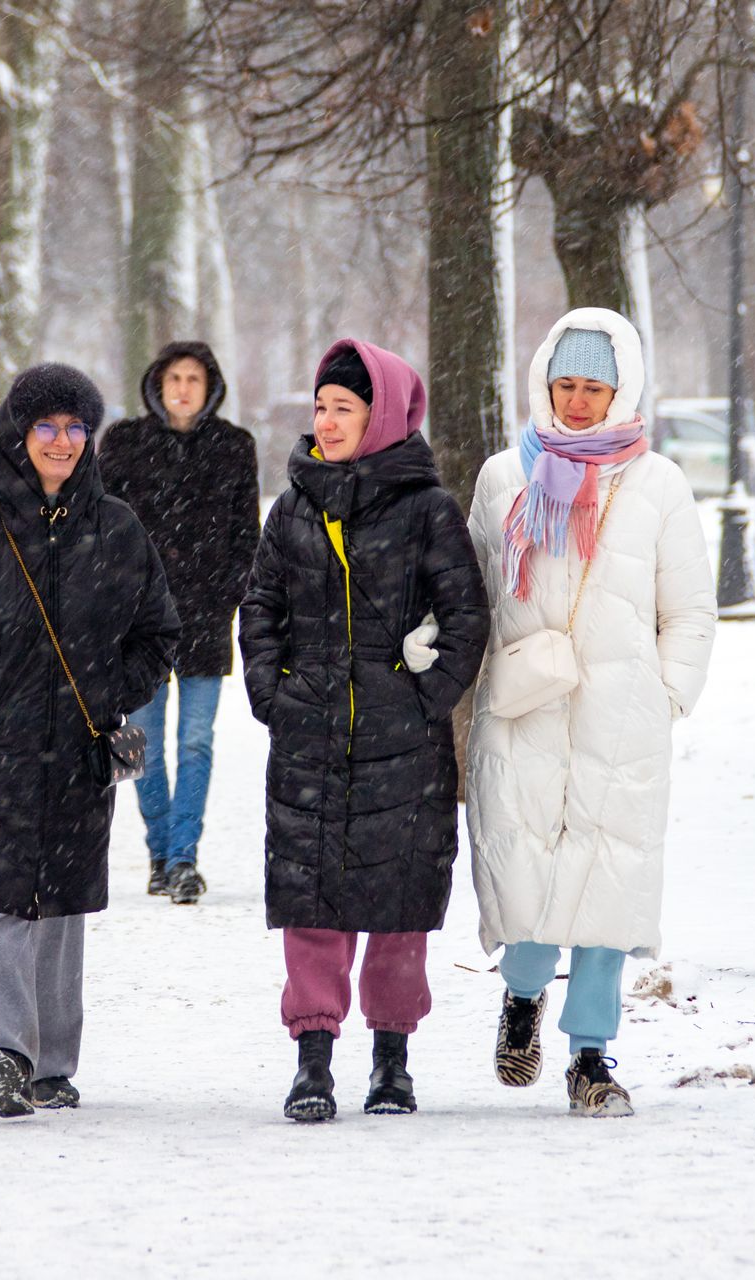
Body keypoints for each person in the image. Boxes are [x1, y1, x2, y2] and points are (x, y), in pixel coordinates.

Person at [0, 363, 180, 1118]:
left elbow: (160, 634)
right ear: (17, 436)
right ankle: (3, 1050)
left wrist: (111, 692)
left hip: (80, 747)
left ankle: (49, 1060)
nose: (61, 441)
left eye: (75, 427)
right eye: (46, 426)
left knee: (59, 905)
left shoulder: (117, 528)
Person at [465, 307, 716, 1118]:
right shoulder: (506, 475)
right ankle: (522, 995)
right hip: (527, 711)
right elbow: (474, 593)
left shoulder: (659, 484)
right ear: (544, 381)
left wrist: (666, 692)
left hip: (620, 720)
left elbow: (689, 609)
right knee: (530, 877)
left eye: (593, 387)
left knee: (608, 892)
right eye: (565, 384)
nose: (577, 403)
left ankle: (591, 1056)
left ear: (623, 388)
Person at [238, 339, 489, 1122]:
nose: (326, 420)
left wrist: (424, 700)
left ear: (379, 415)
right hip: (309, 737)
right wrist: (272, 695)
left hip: (401, 748)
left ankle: (392, 1064)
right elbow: (259, 609)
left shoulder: (428, 510)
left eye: (343, 408)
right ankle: (313, 1063)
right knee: (312, 908)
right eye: (320, 406)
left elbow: (467, 618)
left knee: (396, 910)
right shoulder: (292, 507)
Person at [98, 341, 259, 904]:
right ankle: (158, 850)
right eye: (174, 378)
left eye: (194, 378)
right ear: (156, 385)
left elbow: (246, 536)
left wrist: (225, 596)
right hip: (134, 620)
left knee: (196, 741)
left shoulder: (235, 447)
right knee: (134, 742)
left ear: (210, 386)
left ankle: (184, 856)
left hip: (205, 616)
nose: (183, 388)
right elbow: (101, 527)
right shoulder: (123, 444)